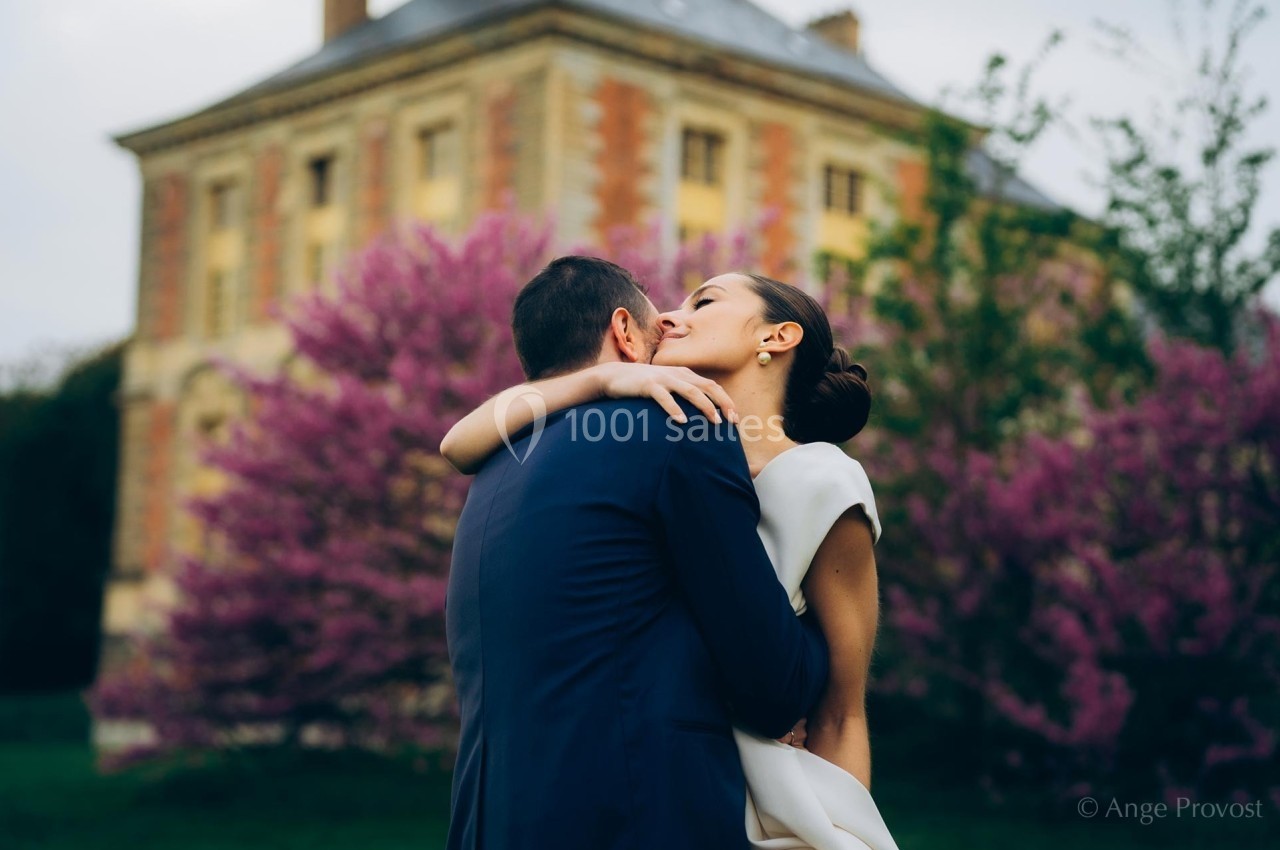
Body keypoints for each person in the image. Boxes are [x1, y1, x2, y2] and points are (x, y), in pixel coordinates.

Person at [443, 262, 900, 850]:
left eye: (703, 301)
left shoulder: (819, 478)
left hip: (725, 803)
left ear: (777, 336)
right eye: (665, 308)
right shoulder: (669, 440)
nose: (669, 318)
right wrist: (601, 381)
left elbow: (842, 712)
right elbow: (762, 676)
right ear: (625, 333)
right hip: (657, 801)